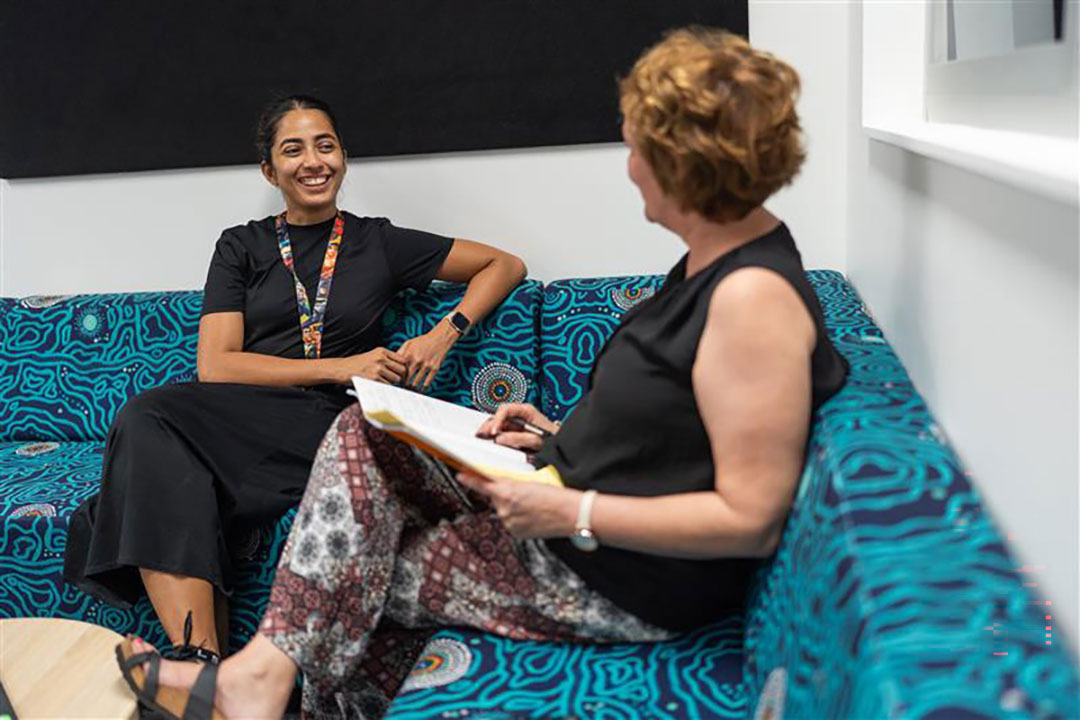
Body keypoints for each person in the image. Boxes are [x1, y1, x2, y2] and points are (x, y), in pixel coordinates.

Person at [117, 28, 849, 720]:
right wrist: (556, 433)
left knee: (355, 574)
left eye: (635, 147)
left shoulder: (754, 298)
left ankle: (259, 688)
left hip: (607, 571)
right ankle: (259, 685)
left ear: (683, 158)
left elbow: (751, 520)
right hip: (571, 507)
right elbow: (681, 424)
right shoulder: (713, 264)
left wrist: (575, 511)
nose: (628, 166)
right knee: (363, 431)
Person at [65, 95, 527, 665]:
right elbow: (218, 366)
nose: (314, 160)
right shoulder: (241, 246)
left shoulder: (377, 241)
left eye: (325, 145)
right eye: (294, 149)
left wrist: (443, 332)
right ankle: (205, 663)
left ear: (343, 158)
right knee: (152, 424)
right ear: (269, 170)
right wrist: (341, 363)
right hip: (243, 416)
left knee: (152, 439)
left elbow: (504, 265)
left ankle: (198, 665)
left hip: (334, 424)